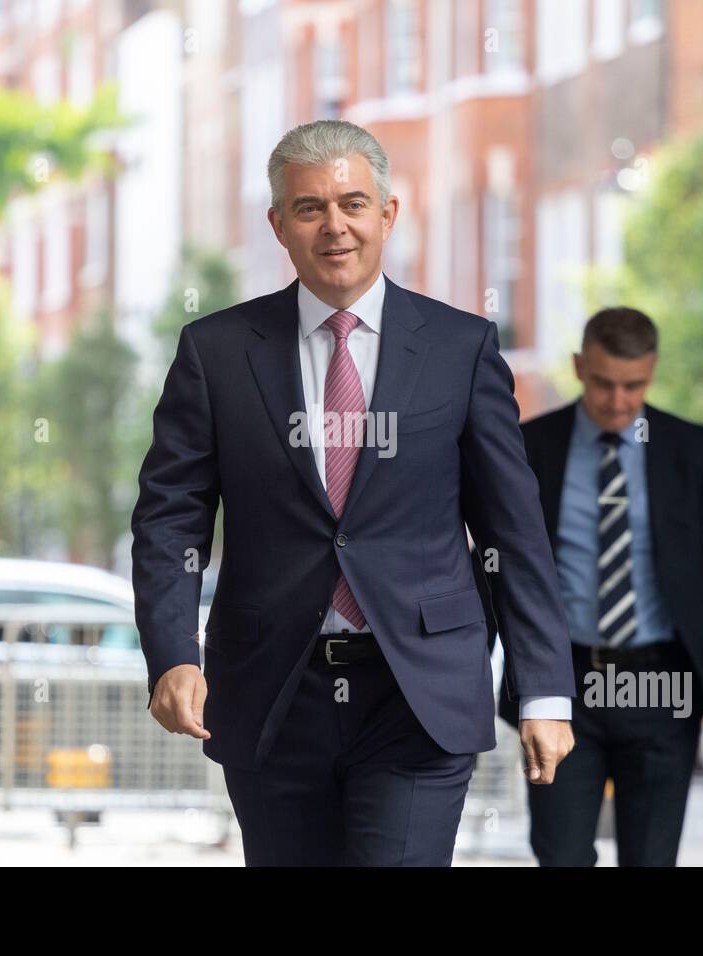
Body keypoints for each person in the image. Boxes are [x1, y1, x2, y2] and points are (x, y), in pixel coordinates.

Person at [130, 119, 576, 866]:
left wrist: (545, 692)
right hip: (273, 691)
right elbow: (171, 518)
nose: (334, 225)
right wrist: (173, 653)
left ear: (388, 214)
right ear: (279, 225)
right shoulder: (215, 354)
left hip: (418, 695)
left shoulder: (460, 349)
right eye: (309, 208)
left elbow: (511, 531)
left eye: (353, 203)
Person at [496, 306, 703, 866]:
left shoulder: (691, 450)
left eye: (634, 385)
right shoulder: (530, 448)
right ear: (579, 367)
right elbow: (497, 566)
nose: (619, 401)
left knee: (650, 858)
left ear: (651, 373)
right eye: (604, 383)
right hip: (564, 684)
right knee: (560, 855)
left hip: (663, 684)